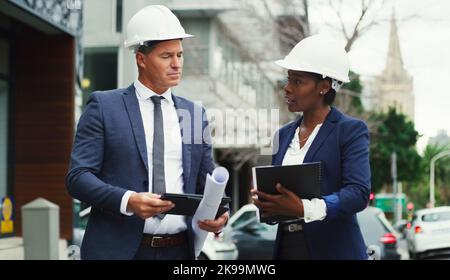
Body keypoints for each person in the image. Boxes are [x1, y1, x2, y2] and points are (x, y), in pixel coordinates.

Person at [66, 5, 228, 260]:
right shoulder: (104, 107)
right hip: (118, 251)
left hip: (179, 251)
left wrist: (221, 214)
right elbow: (78, 178)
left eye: (180, 55)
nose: (177, 64)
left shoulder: (195, 114)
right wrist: (128, 200)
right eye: (166, 56)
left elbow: (207, 181)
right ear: (141, 59)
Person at [252, 34, 371, 260]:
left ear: (324, 87)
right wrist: (267, 202)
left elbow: (358, 193)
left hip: (333, 251)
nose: (287, 88)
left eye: (297, 81)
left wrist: (305, 209)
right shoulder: (283, 135)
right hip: (288, 248)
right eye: (288, 80)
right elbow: (281, 198)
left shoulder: (350, 130)